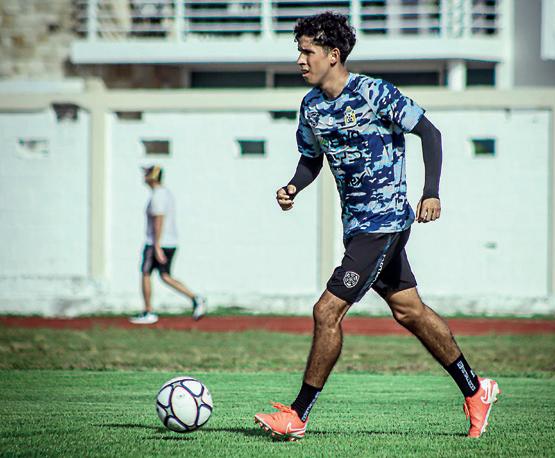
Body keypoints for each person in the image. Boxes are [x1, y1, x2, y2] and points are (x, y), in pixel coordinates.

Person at [254, 12, 500, 441]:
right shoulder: (311, 106)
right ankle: (476, 390)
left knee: (326, 311)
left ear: (333, 55)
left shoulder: (374, 93)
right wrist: (293, 186)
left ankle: (298, 414)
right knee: (409, 311)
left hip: (383, 224)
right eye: (299, 51)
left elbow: (430, 133)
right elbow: (311, 159)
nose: (300, 60)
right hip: (358, 227)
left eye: (307, 51)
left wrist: (431, 192)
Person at [129, 165, 206, 324]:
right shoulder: (165, 193)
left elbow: (159, 220)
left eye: (147, 174)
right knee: (165, 276)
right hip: (168, 242)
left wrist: (157, 246)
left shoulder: (158, 196)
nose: (144, 177)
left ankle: (148, 311)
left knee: (146, 273)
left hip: (157, 242)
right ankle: (196, 298)